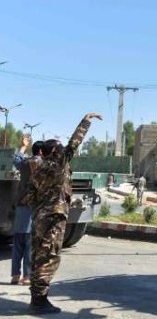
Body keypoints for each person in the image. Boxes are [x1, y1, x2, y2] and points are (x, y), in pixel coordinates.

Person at [25, 112, 101, 314]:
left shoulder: (39, 170)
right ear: (55, 153)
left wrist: (40, 210)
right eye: (59, 149)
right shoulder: (58, 165)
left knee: (38, 255)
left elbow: (28, 197)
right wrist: (86, 121)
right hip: (53, 218)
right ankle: (39, 302)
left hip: (40, 218)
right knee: (49, 257)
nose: (63, 151)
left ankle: (37, 298)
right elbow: (73, 144)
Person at [11, 135, 43, 286]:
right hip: (33, 208)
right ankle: (27, 277)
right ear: (42, 152)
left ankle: (15, 276)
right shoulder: (44, 164)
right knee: (30, 244)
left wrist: (23, 146)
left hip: (20, 207)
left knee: (18, 242)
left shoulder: (25, 163)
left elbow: (16, 160)